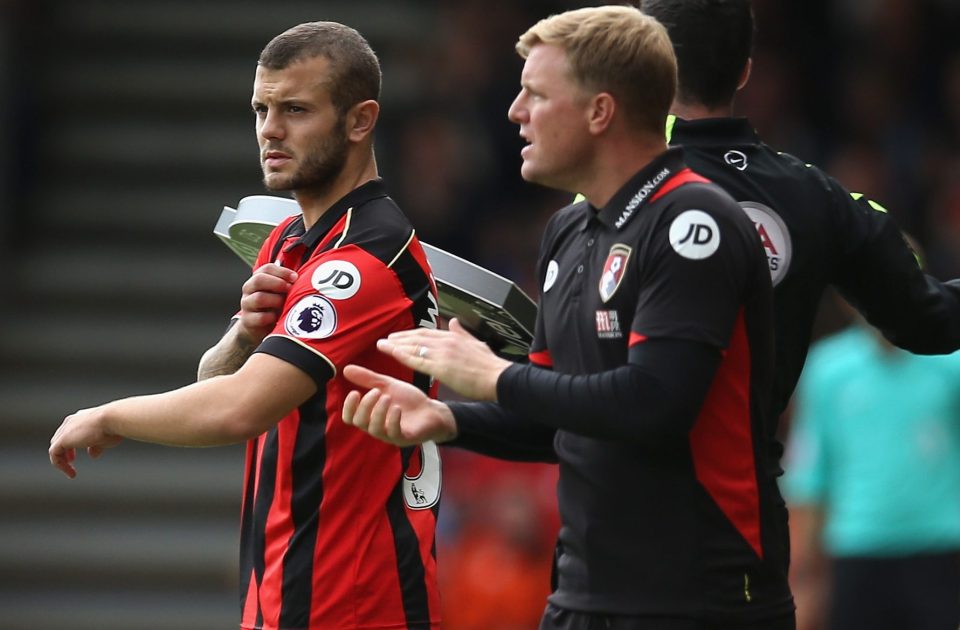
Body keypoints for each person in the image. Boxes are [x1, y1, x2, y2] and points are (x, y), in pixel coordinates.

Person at [342, 6, 796, 629]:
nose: (514, 112)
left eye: (534, 94)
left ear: (599, 111)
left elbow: (654, 404)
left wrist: (492, 376)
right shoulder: (569, 231)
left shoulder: (696, 224)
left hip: (698, 598)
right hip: (584, 596)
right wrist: (445, 418)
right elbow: (557, 416)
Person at [49, 22, 441, 630]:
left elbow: (240, 409)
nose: (269, 130)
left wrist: (107, 414)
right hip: (282, 592)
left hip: (356, 602)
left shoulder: (367, 258)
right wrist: (244, 337)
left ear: (360, 121)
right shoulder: (288, 241)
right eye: (261, 109)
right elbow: (218, 376)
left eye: (295, 110)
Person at [637, 0, 960, 425]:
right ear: (744, 73)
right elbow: (927, 318)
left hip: (619, 479)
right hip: (748, 483)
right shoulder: (814, 194)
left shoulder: (613, 183)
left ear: (646, 66)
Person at [781, 311, 960, 630]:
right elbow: (811, 472)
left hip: (940, 547)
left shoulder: (951, 363)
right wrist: (806, 569)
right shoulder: (828, 368)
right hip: (857, 548)